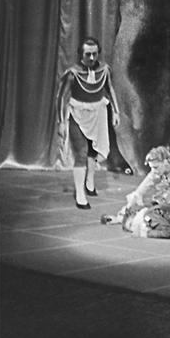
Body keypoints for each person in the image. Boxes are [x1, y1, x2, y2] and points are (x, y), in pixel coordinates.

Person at [56, 37, 121, 209]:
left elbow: (110, 89)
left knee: (93, 150)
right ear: (81, 54)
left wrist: (116, 111)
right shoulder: (73, 73)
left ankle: (89, 182)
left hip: (98, 113)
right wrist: (61, 121)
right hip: (78, 114)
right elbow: (61, 97)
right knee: (81, 152)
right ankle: (80, 193)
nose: (92, 58)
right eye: (88, 54)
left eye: (94, 54)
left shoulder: (104, 70)